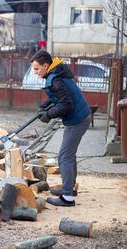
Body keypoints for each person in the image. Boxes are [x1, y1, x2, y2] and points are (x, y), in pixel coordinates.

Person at [30, 50, 91, 207]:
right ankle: (69, 188)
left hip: (77, 120)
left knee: (64, 157)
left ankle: (67, 198)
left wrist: (48, 115)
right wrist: (43, 106)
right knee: (69, 155)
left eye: (37, 69)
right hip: (79, 117)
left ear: (45, 65)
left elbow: (66, 105)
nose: (35, 73)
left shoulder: (55, 79)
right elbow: (57, 97)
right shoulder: (56, 72)